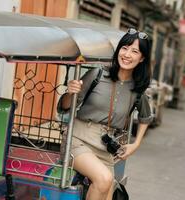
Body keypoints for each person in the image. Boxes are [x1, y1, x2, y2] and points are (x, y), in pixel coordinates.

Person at [58, 28, 152, 200]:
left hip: (104, 149)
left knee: (108, 193)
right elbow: (65, 107)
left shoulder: (138, 90)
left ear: (142, 58)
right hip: (77, 141)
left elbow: (146, 116)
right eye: (124, 48)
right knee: (104, 179)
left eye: (135, 51)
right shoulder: (98, 74)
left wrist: (136, 144)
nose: (127, 54)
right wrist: (70, 93)